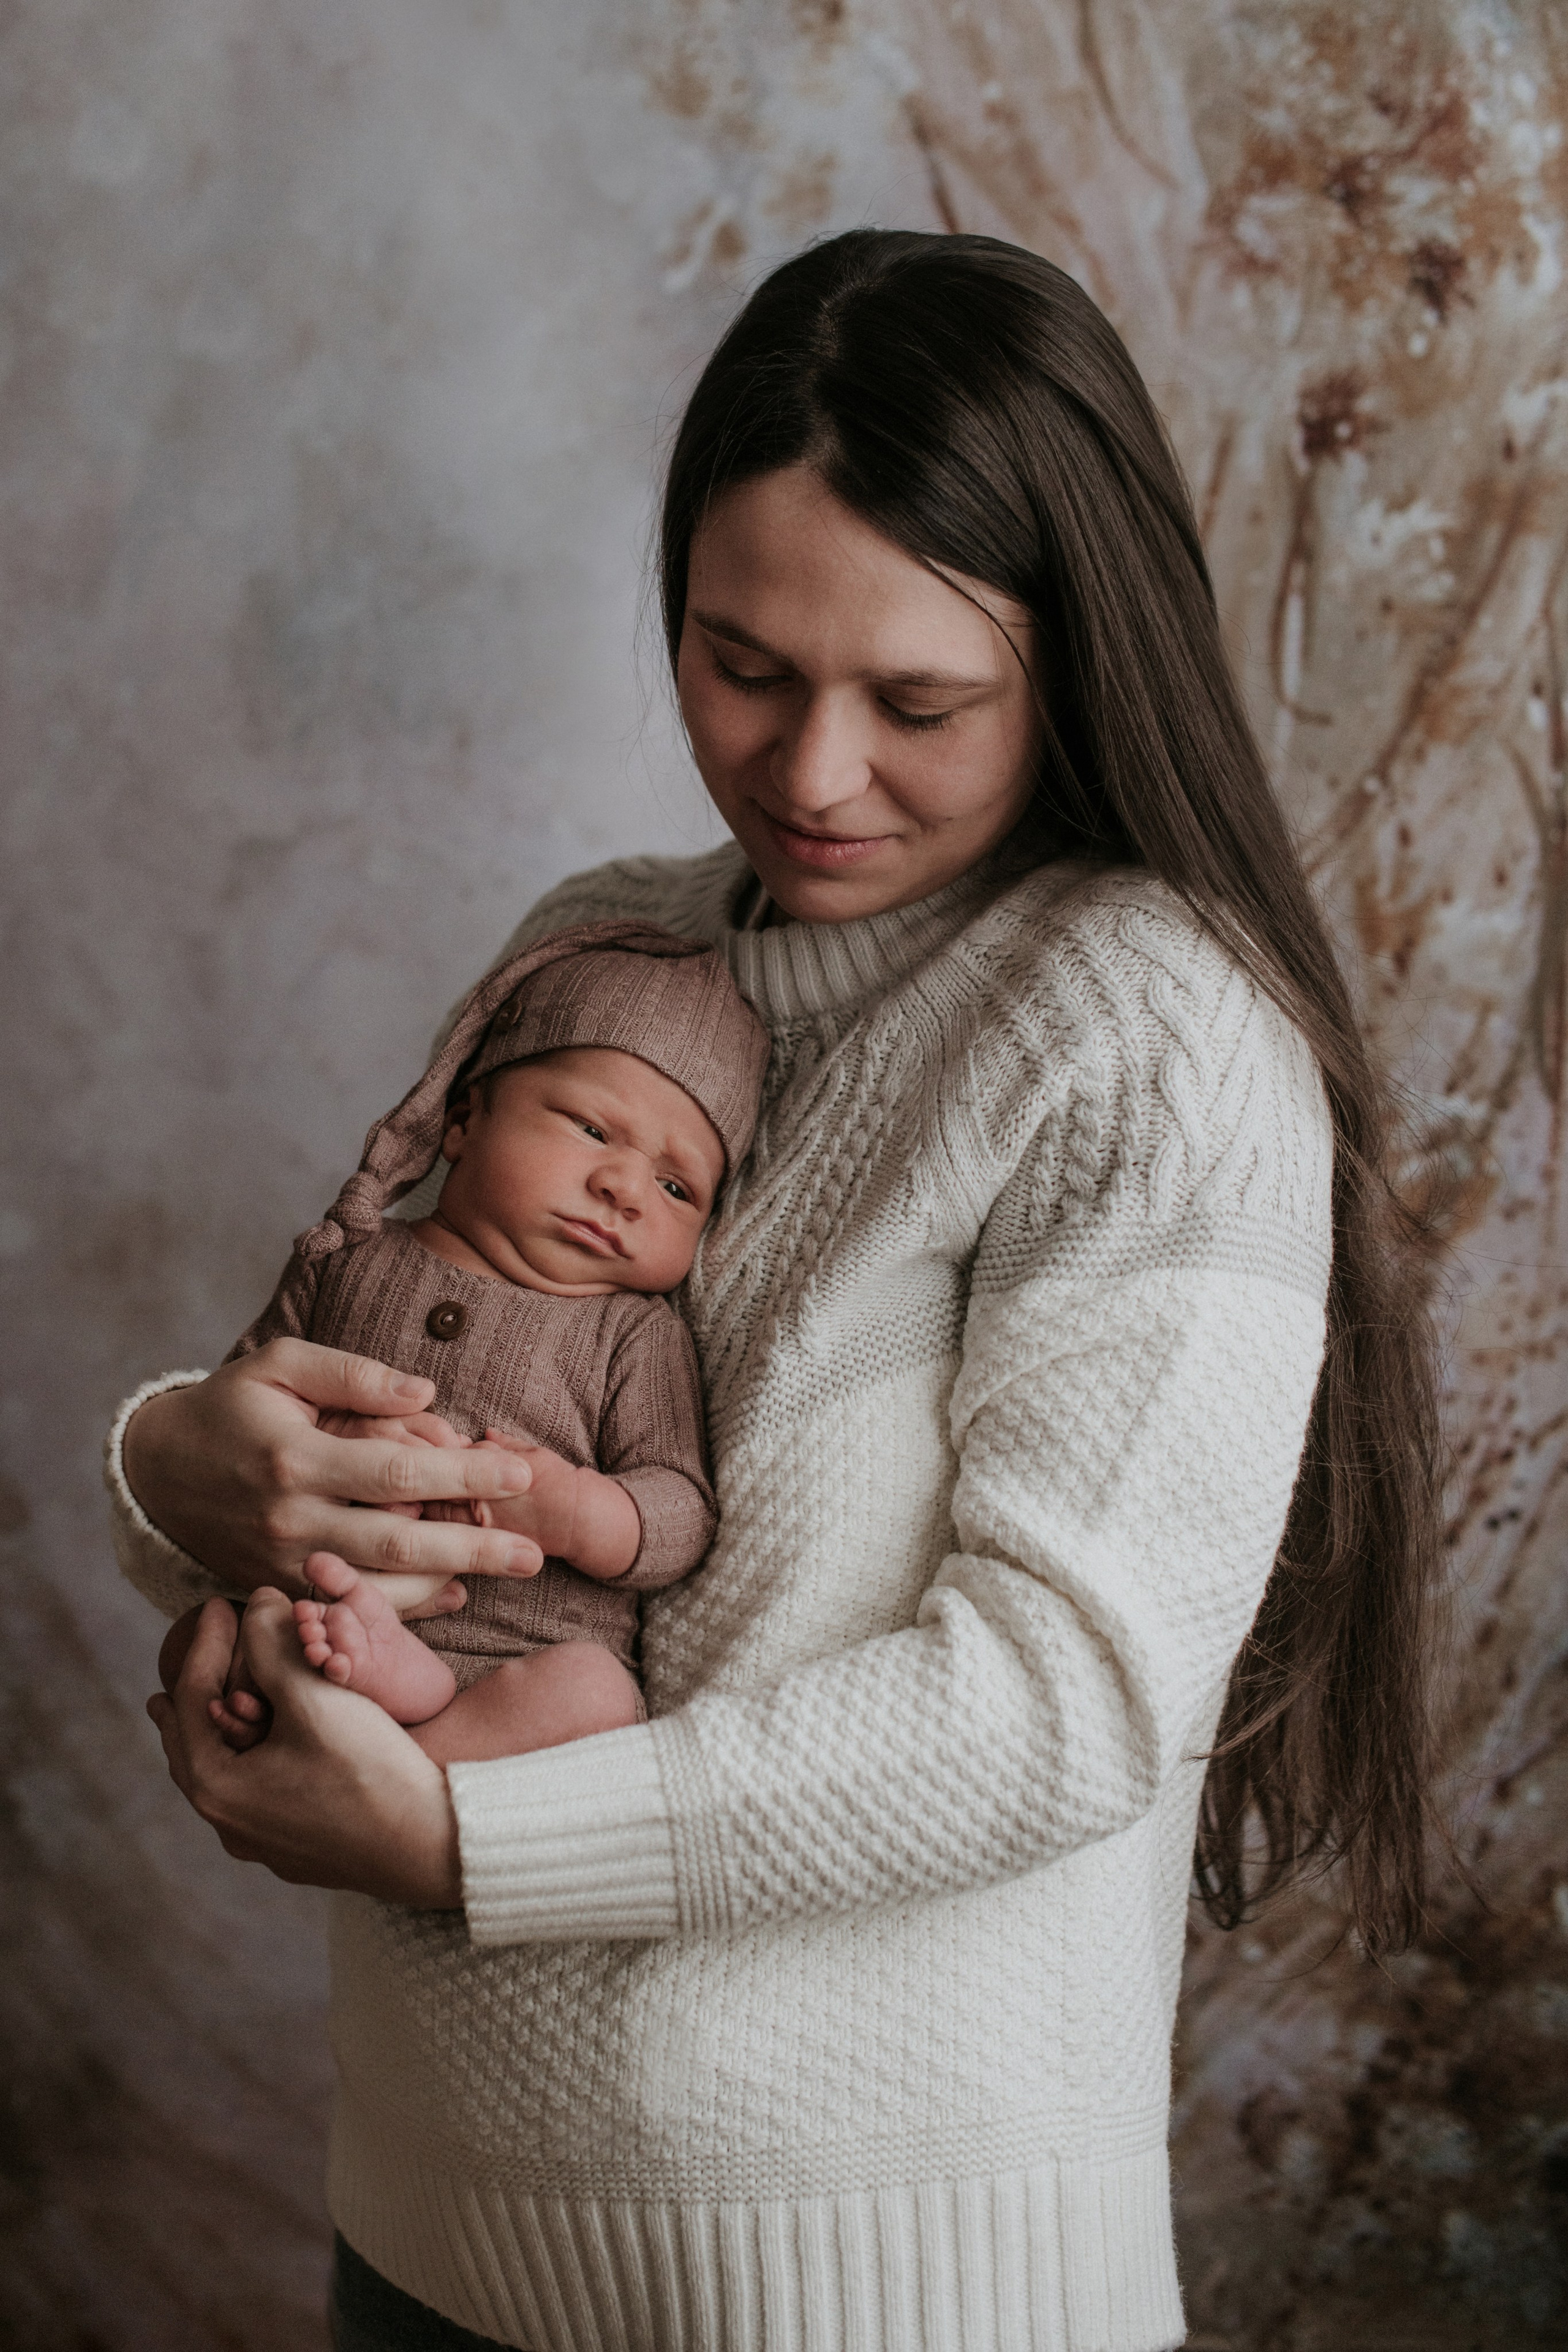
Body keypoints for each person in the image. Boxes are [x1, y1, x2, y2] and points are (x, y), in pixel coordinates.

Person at [113, 230, 1442, 2352]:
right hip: (426, 2239)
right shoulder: (607, 948)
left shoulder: (1155, 1035)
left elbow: (1059, 1706)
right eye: (740, 663)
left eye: (919, 701)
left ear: (1078, 656)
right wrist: (182, 1460)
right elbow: (391, 1379)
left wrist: (469, 1839)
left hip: (853, 2294)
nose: (811, 776)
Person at [153, 921, 771, 1766]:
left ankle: (413, 1769)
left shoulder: (633, 1335)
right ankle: (327, 1715)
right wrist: (327, 1441)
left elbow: (682, 1509)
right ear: (462, 1120)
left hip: (507, 1664)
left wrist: (581, 1512)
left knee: (596, 1694)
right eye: (593, 1130)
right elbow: (245, 1406)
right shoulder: (350, 1259)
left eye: (676, 1186)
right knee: (204, 1633)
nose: (624, 1188)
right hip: (323, 1607)